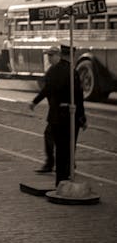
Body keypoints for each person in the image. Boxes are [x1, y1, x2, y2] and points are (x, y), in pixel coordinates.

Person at [30, 44, 87, 186]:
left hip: (55, 116)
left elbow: (47, 90)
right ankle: (64, 175)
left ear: (59, 55)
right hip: (68, 116)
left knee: (61, 147)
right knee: (68, 146)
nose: (49, 58)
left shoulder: (52, 72)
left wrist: (35, 102)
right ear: (72, 56)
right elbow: (78, 97)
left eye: (51, 55)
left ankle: (60, 177)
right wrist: (82, 117)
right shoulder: (72, 72)